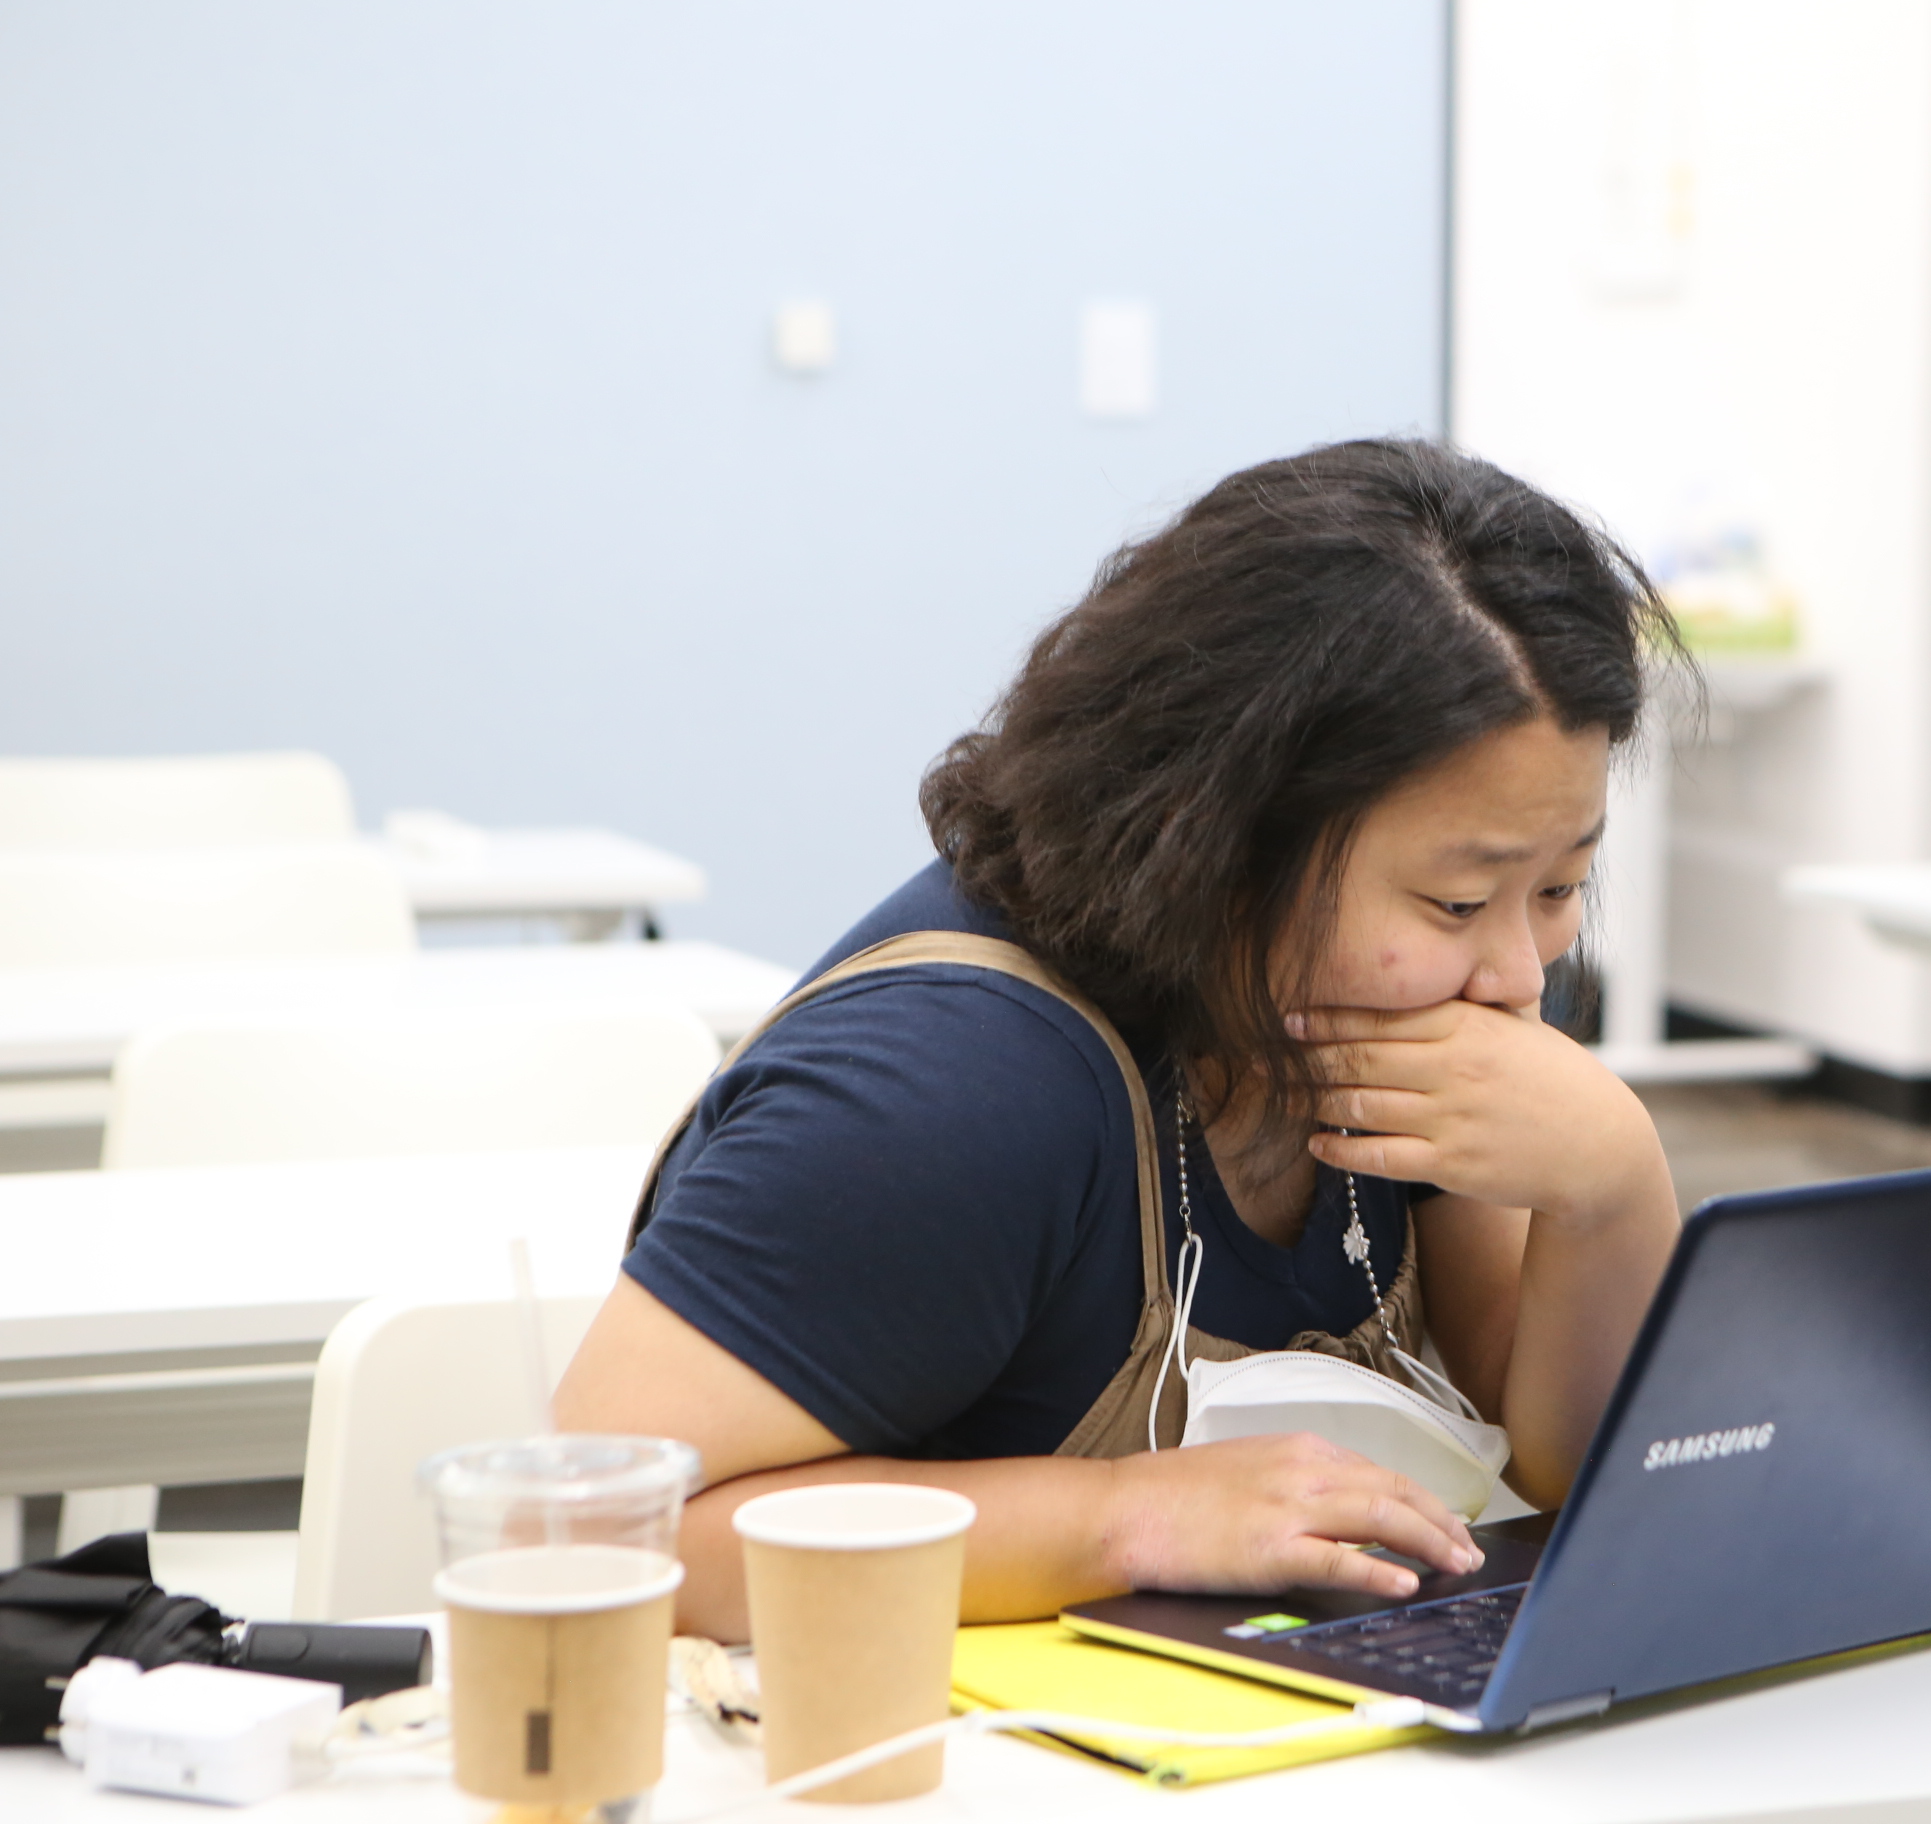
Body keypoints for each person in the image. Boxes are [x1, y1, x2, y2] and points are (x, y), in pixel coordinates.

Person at [553, 439, 1687, 1639]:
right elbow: (586, 1534)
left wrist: (1611, 1186)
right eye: (1456, 902)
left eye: (1559, 888)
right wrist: (1120, 1520)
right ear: (1223, 840)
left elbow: (1566, 1465)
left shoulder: (1418, 1019)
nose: (1518, 977)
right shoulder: (947, 1097)